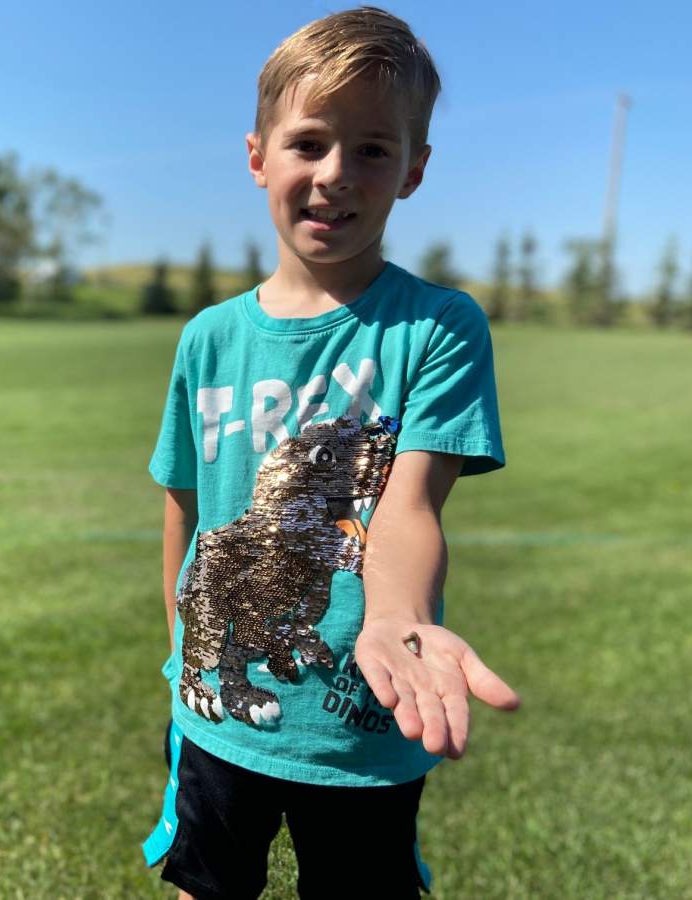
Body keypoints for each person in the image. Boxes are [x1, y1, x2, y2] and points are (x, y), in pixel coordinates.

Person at [142, 7, 521, 898]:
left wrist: (393, 614)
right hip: (215, 716)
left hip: (362, 714)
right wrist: (184, 650)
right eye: (309, 142)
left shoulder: (437, 328)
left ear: (414, 171)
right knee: (207, 879)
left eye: (374, 150)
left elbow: (410, 503)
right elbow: (184, 505)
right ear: (257, 156)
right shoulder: (208, 339)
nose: (336, 175)